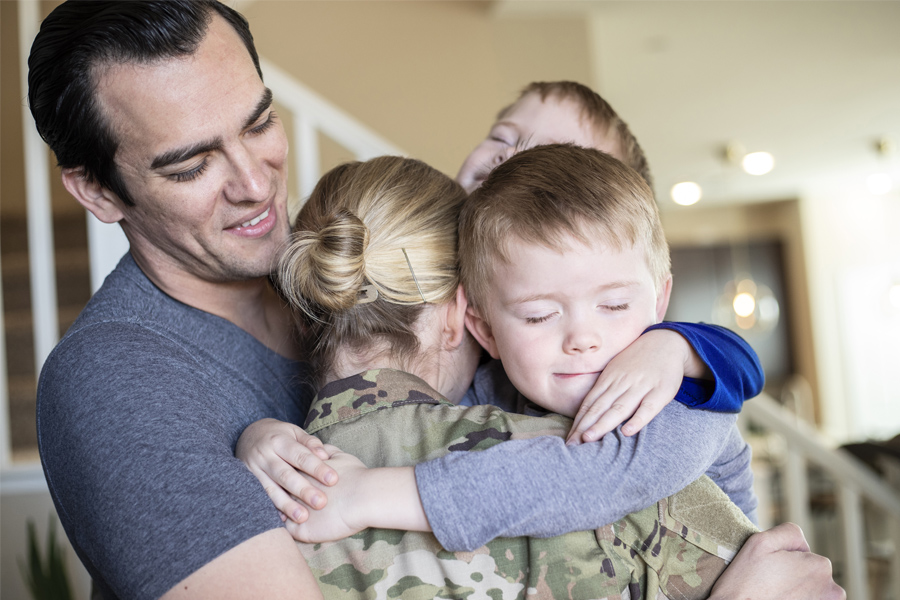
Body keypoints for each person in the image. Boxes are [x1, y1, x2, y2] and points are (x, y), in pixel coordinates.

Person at [27, 1, 842, 597]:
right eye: (189, 164)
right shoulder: (119, 385)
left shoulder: (345, 256)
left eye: (261, 121)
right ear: (97, 189)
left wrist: (686, 344)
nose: (253, 184)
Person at [260, 151, 838, 599]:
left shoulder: (674, 404)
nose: (582, 337)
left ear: (660, 300)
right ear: (477, 325)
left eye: (614, 306)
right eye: (538, 315)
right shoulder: (492, 394)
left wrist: (366, 494)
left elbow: (583, 478)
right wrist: (258, 436)